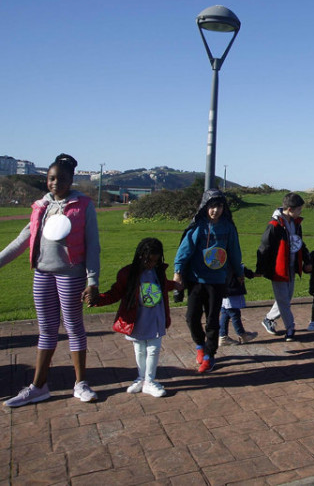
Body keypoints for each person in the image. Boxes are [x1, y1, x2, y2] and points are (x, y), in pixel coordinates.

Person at [0, 154, 101, 407]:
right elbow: (23, 239)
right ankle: (38, 386)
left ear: (71, 180)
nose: (56, 182)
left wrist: (92, 280)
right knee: (46, 330)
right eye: (51, 178)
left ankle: (81, 383)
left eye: (62, 178)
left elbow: (93, 245)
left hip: (71, 274)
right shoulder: (41, 207)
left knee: (73, 327)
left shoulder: (83, 205)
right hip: (42, 274)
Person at [92, 238, 180, 397]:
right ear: (140, 256)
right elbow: (116, 293)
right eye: (148, 260)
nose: (151, 264)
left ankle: (150, 381)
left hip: (155, 318)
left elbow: (163, 285)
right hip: (137, 319)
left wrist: (176, 285)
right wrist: (99, 299)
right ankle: (141, 378)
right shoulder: (127, 274)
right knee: (139, 349)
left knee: (153, 349)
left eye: (155, 260)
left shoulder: (158, 271)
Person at [174, 189, 243, 372]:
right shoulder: (199, 226)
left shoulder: (228, 227)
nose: (215, 210)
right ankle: (199, 346)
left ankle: (209, 355)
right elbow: (184, 250)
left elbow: (234, 251)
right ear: (205, 207)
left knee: (213, 319)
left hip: (217, 280)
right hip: (196, 279)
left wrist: (239, 272)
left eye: (219, 206)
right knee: (192, 318)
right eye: (212, 206)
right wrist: (178, 271)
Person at [258, 193, 310, 341]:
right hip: (279, 269)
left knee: (285, 299)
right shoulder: (274, 225)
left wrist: (307, 260)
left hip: (292, 267)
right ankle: (290, 328)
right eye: (299, 209)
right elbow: (264, 246)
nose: (300, 212)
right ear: (289, 209)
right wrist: (261, 268)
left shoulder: (296, 223)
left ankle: (268, 319)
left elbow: (299, 243)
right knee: (283, 300)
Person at [217, 264, 258, 345]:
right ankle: (242, 334)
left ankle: (223, 336)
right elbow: (238, 266)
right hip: (232, 288)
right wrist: (252, 274)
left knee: (225, 312)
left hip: (222, 287)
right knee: (234, 312)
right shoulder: (230, 259)